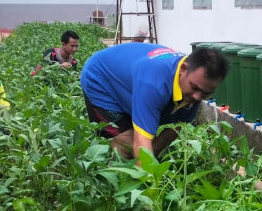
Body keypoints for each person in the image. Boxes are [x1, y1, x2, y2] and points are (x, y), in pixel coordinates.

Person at [80, 44, 229, 159]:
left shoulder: (191, 84)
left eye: (206, 93)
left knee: (163, 136)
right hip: (101, 81)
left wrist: (152, 157)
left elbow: (177, 127)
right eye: (194, 87)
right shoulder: (154, 83)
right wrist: (150, 192)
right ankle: (111, 185)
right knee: (128, 144)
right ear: (183, 69)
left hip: (133, 81)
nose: (198, 97)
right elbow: (141, 145)